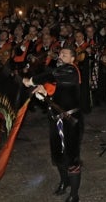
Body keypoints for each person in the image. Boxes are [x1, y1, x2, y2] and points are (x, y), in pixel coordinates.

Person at [22, 47, 83, 202]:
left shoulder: (71, 71)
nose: (60, 56)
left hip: (70, 122)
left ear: (73, 59)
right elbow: (54, 91)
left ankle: (74, 195)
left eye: (65, 54)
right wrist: (44, 95)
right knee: (58, 155)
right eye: (60, 53)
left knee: (71, 157)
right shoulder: (61, 74)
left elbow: (50, 74)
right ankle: (65, 182)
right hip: (56, 120)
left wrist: (30, 81)